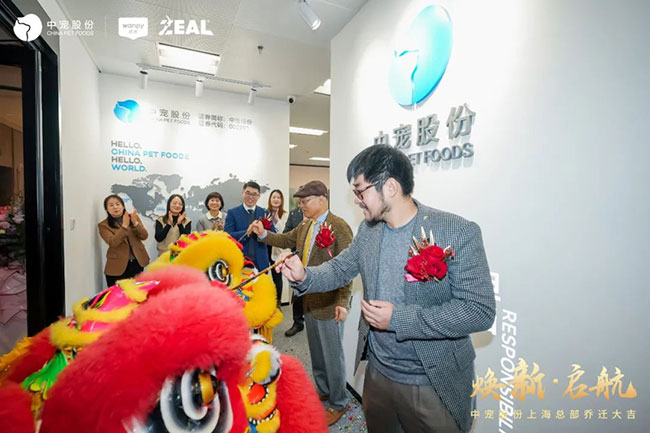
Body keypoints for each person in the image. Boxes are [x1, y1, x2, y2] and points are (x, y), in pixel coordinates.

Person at [276, 145, 496, 433]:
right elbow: (340, 268)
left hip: (432, 382)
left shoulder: (456, 231)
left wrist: (399, 319)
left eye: (360, 191)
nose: (357, 201)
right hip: (378, 374)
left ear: (390, 187)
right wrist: (304, 275)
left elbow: (479, 311)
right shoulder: (370, 231)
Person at [250, 180, 353, 426]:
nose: (302, 206)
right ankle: (324, 391)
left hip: (329, 302)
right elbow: (285, 239)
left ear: (322, 199)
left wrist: (343, 301)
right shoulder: (305, 225)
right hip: (308, 300)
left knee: (332, 356)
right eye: (300, 202)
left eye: (305, 201)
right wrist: (263, 234)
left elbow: (347, 268)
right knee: (316, 352)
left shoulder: (339, 226)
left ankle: (339, 401)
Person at [98, 194, 149, 287]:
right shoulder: (103, 225)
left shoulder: (133, 218)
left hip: (137, 263)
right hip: (117, 267)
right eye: (111, 205)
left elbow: (144, 236)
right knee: (118, 294)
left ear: (123, 206)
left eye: (118, 204)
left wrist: (135, 223)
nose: (115, 207)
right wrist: (124, 226)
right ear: (106, 209)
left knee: (136, 292)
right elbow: (113, 243)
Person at [224, 181, 274, 271]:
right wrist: (247, 232)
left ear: (259, 196)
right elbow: (228, 236)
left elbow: (273, 234)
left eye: (254, 194)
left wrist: (263, 232)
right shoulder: (232, 213)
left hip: (261, 263)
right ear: (242, 193)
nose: (251, 197)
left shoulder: (265, 213)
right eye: (248, 193)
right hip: (240, 261)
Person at [281, 206, 305, 336]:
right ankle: (298, 322)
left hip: (315, 258)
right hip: (297, 258)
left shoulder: (319, 213)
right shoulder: (294, 214)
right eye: (300, 200)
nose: (302, 203)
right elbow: (286, 234)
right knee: (297, 292)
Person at [266, 189, 289, 305]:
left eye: (278, 198)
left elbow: (282, 231)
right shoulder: (265, 213)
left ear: (281, 200)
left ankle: (278, 302)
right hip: (265, 248)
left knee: (277, 276)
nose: (276, 199)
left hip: (276, 249)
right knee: (264, 276)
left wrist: (275, 218)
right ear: (270, 199)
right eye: (274, 197)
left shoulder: (285, 215)